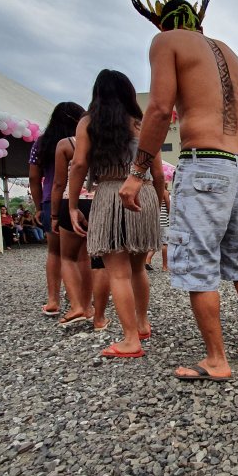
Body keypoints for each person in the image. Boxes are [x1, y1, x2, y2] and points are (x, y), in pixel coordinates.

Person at [120, 0, 238, 381]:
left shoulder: (166, 41)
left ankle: (216, 360)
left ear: (162, 22)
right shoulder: (232, 55)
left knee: (198, 261)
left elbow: (158, 108)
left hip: (204, 162)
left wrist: (137, 174)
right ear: (198, 22)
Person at [70, 69, 163, 357]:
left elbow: (79, 165)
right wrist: (155, 203)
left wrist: (73, 205)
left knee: (118, 273)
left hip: (110, 191)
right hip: (144, 190)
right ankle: (142, 324)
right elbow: (158, 171)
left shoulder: (88, 123)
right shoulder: (141, 123)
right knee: (136, 268)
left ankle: (130, 339)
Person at [52, 125, 110, 328]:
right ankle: (95, 313)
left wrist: (54, 213)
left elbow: (59, 183)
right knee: (97, 261)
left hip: (72, 201)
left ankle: (77, 306)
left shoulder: (65, 144)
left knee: (68, 257)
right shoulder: (107, 141)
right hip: (101, 201)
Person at [31, 102, 85, 316]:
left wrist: (38, 207)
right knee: (81, 255)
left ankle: (53, 300)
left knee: (55, 253)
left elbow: (34, 178)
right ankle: (81, 300)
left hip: (50, 201)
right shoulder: (81, 142)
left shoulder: (41, 144)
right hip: (81, 198)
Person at [146, 185, 171, 271]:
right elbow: (168, 207)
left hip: (154, 220)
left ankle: (147, 260)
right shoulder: (165, 192)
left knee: (155, 242)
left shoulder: (153, 192)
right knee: (165, 244)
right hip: (164, 221)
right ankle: (165, 266)